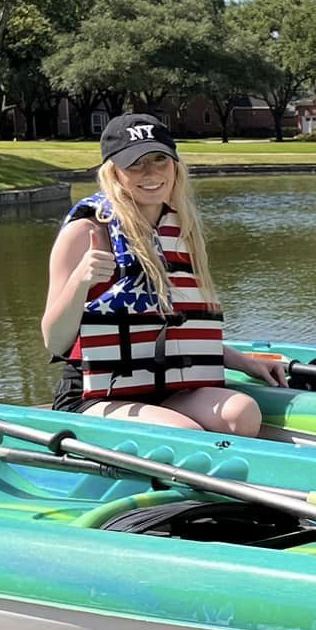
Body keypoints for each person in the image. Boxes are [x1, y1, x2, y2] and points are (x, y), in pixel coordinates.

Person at [40, 113, 281, 434]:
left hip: (167, 384)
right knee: (185, 432)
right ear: (114, 172)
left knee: (242, 413)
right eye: (135, 163)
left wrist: (247, 363)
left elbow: (178, 333)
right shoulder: (86, 231)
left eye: (159, 160)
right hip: (97, 392)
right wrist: (80, 281)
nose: (150, 172)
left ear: (175, 166)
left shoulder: (181, 230)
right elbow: (54, 341)